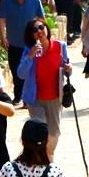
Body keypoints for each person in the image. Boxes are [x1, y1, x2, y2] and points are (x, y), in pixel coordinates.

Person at [15, 17, 71, 157]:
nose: (39, 31)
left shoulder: (60, 46)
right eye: (34, 30)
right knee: (39, 131)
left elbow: (66, 68)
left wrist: (69, 69)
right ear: (31, 35)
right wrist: (31, 56)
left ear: (46, 28)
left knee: (54, 133)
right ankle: (41, 161)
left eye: (41, 27)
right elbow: (21, 74)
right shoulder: (29, 50)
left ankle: (48, 156)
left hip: (55, 97)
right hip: (35, 99)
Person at [0, 0, 43, 87]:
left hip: (30, 43)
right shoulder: (6, 0)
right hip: (13, 43)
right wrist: (3, 37)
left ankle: (28, 96)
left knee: (31, 70)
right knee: (15, 70)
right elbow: (2, 20)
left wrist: (40, 36)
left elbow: (41, 19)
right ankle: (18, 96)